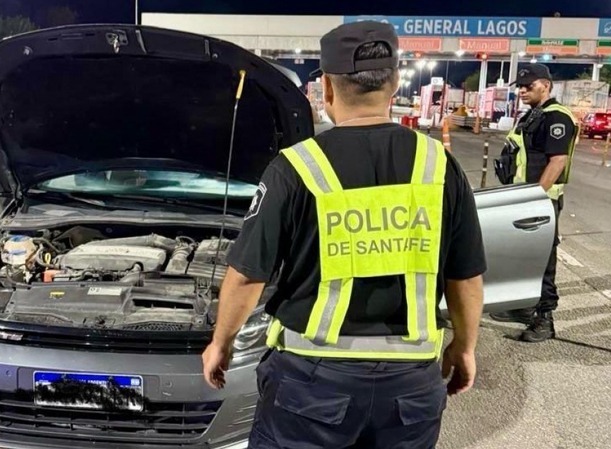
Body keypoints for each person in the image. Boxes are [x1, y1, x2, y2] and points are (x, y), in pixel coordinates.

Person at [201, 21, 486, 448]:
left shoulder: (296, 167)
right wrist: (464, 347)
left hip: (311, 384)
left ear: (328, 90)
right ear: (394, 84)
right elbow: (465, 277)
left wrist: (221, 344)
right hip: (409, 386)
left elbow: (246, 276)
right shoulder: (438, 165)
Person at [489, 64, 580, 342]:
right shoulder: (533, 115)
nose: (522, 90)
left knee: (543, 259)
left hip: (541, 200)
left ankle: (545, 319)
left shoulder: (556, 117)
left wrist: (535, 197)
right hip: (523, 196)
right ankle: (524, 307)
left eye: (529, 86)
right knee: (523, 255)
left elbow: (557, 161)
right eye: (520, 86)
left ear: (546, 85)